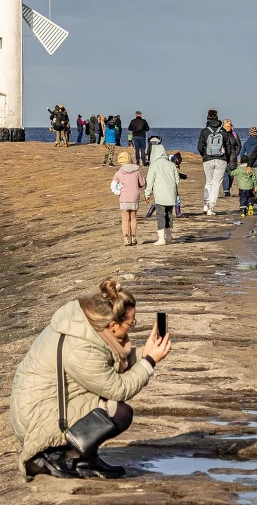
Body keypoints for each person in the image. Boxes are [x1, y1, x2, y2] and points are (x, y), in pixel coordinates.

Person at [9, 278, 172, 480]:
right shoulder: (81, 347)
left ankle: (86, 458)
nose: (132, 327)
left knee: (109, 409)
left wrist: (143, 354)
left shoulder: (88, 326)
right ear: (113, 325)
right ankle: (52, 455)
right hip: (37, 416)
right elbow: (117, 389)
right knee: (118, 413)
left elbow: (104, 364)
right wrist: (149, 362)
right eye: (131, 323)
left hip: (49, 402)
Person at [144, 137, 180, 245]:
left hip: (160, 193)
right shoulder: (171, 164)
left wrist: (147, 194)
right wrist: (173, 188)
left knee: (160, 215)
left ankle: (161, 238)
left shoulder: (154, 165)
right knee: (169, 214)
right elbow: (177, 179)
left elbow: (149, 181)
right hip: (171, 193)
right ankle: (169, 236)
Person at [197, 108, 232, 214]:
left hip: (208, 159)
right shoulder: (223, 131)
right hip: (221, 159)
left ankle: (205, 205)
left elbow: (199, 146)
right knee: (216, 184)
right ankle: (211, 208)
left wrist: (204, 155)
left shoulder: (205, 131)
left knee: (208, 182)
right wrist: (227, 158)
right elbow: (228, 146)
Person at [112, 151, 146, 247]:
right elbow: (142, 183)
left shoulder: (118, 173)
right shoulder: (136, 171)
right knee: (133, 218)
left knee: (125, 219)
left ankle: (126, 238)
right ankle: (134, 237)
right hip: (134, 197)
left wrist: (118, 191)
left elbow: (113, 185)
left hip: (123, 198)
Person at [220, 119, 241, 197]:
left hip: (232, 157)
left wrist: (236, 154)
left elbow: (239, 145)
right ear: (223, 126)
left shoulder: (234, 134)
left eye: (229, 126)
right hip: (223, 156)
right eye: (226, 126)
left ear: (231, 126)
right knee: (224, 173)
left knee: (231, 175)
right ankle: (226, 190)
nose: (227, 128)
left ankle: (228, 187)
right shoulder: (221, 134)